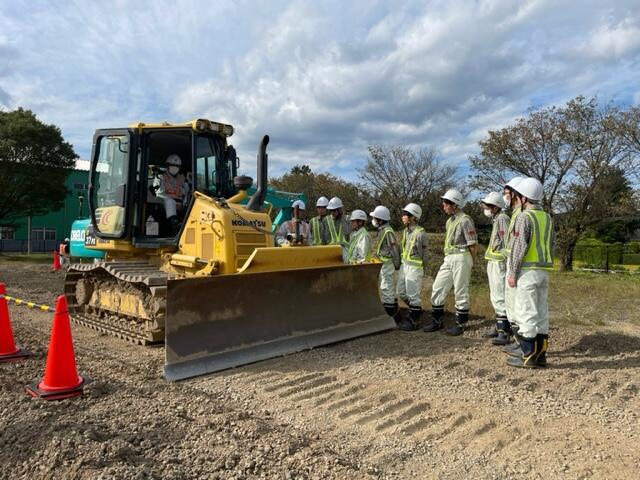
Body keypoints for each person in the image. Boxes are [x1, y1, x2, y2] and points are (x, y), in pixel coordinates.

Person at [505, 177, 553, 368]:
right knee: (541, 314)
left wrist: (512, 274)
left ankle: (527, 356)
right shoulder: (547, 218)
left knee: (526, 313)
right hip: (543, 271)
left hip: (527, 272)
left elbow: (519, 248)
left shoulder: (524, 217)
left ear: (524, 198)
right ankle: (541, 356)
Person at [424, 189, 477, 336]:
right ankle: (437, 321)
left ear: (455, 204)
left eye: (446, 203)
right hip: (449, 257)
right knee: (437, 287)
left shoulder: (465, 220)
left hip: (462, 256)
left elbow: (472, 245)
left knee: (461, 289)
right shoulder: (449, 221)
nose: (443, 205)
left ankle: (460, 323)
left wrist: (470, 262)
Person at [495, 176, 526, 343]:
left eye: (506, 193)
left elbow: (519, 244)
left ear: (515, 193)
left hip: (517, 264)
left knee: (517, 302)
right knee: (510, 301)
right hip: (510, 261)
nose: (504, 196)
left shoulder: (521, 214)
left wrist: (513, 270)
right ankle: (515, 338)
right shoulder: (514, 213)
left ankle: (520, 341)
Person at [480, 191, 511, 345]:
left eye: (486, 205)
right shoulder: (497, 219)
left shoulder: (503, 219)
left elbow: (507, 242)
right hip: (494, 261)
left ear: (494, 206)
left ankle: (504, 332)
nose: (484, 207)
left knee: (499, 296)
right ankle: (500, 327)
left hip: (499, 263)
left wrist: (505, 260)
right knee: (495, 295)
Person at [396, 203, 428, 331]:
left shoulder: (420, 233)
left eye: (406, 214)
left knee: (413, 294)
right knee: (401, 292)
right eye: (403, 214)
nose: (403, 216)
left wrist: (423, 269)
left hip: (415, 267)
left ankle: (413, 320)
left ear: (414, 217)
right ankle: (416, 310)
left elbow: (424, 253)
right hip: (405, 266)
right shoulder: (405, 232)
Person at [370, 205, 401, 324]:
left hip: (387, 264)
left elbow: (394, 249)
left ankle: (391, 316)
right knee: (388, 290)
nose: (373, 220)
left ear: (381, 220)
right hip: (384, 264)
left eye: (375, 218)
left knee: (386, 289)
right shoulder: (382, 230)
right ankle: (395, 315)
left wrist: (397, 264)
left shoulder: (387, 231)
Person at [153, 154, 190, 232]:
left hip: (180, 203)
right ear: (167, 166)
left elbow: (187, 192)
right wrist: (174, 203)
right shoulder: (161, 177)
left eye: (177, 166)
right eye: (172, 165)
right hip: (164, 202)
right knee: (170, 202)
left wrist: (183, 203)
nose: (175, 168)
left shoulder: (182, 179)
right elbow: (159, 194)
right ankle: (175, 224)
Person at [324, 197, 350, 262]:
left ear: (340, 209)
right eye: (331, 210)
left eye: (334, 210)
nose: (332, 212)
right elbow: (323, 238)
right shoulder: (326, 220)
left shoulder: (347, 219)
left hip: (345, 250)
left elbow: (349, 234)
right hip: (330, 250)